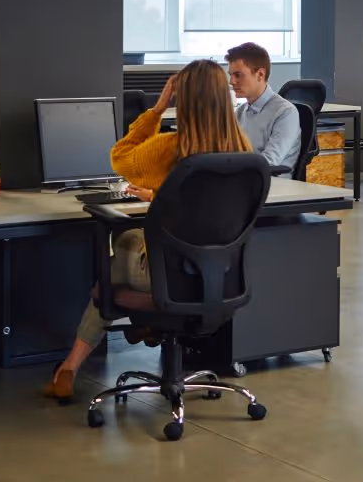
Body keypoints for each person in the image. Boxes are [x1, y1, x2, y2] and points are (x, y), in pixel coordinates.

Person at [42, 59, 252, 403]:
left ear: (182, 100)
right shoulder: (243, 151)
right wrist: (160, 196)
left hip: (164, 277)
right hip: (223, 275)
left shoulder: (169, 147)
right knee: (128, 257)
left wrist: (156, 109)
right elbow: (207, 206)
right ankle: (145, 329)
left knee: (121, 249)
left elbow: (120, 156)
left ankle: (71, 368)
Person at [225, 42, 301, 175]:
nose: (231, 81)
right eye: (230, 75)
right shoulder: (241, 112)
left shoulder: (285, 113)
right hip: (242, 181)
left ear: (260, 74)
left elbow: (269, 162)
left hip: (272, 185)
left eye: (238, 75)